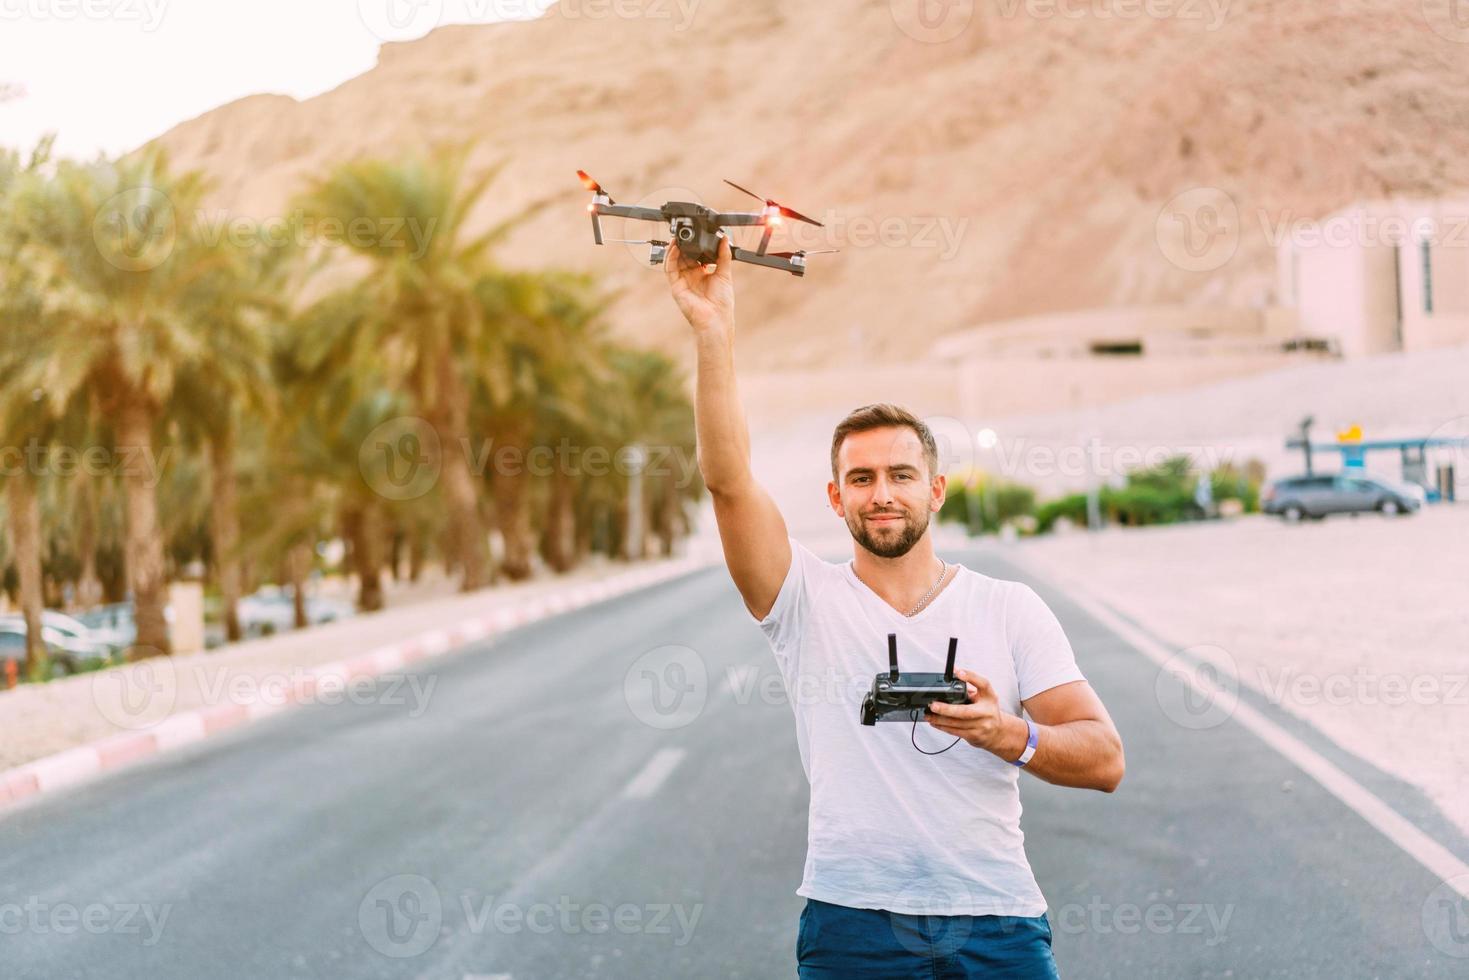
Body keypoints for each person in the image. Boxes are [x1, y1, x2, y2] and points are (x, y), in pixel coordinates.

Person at [665, 236, 1126, 979]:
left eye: (901, 474)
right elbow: (727, 481)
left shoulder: (1009, 608)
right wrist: (713, 334)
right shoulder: (801, 600)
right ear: (835, 496)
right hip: (853, 925)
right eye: (861, 477)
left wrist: (1005, 732)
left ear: (934, 490)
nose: (881, 492)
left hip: (996, 922)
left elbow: (1105, 759)